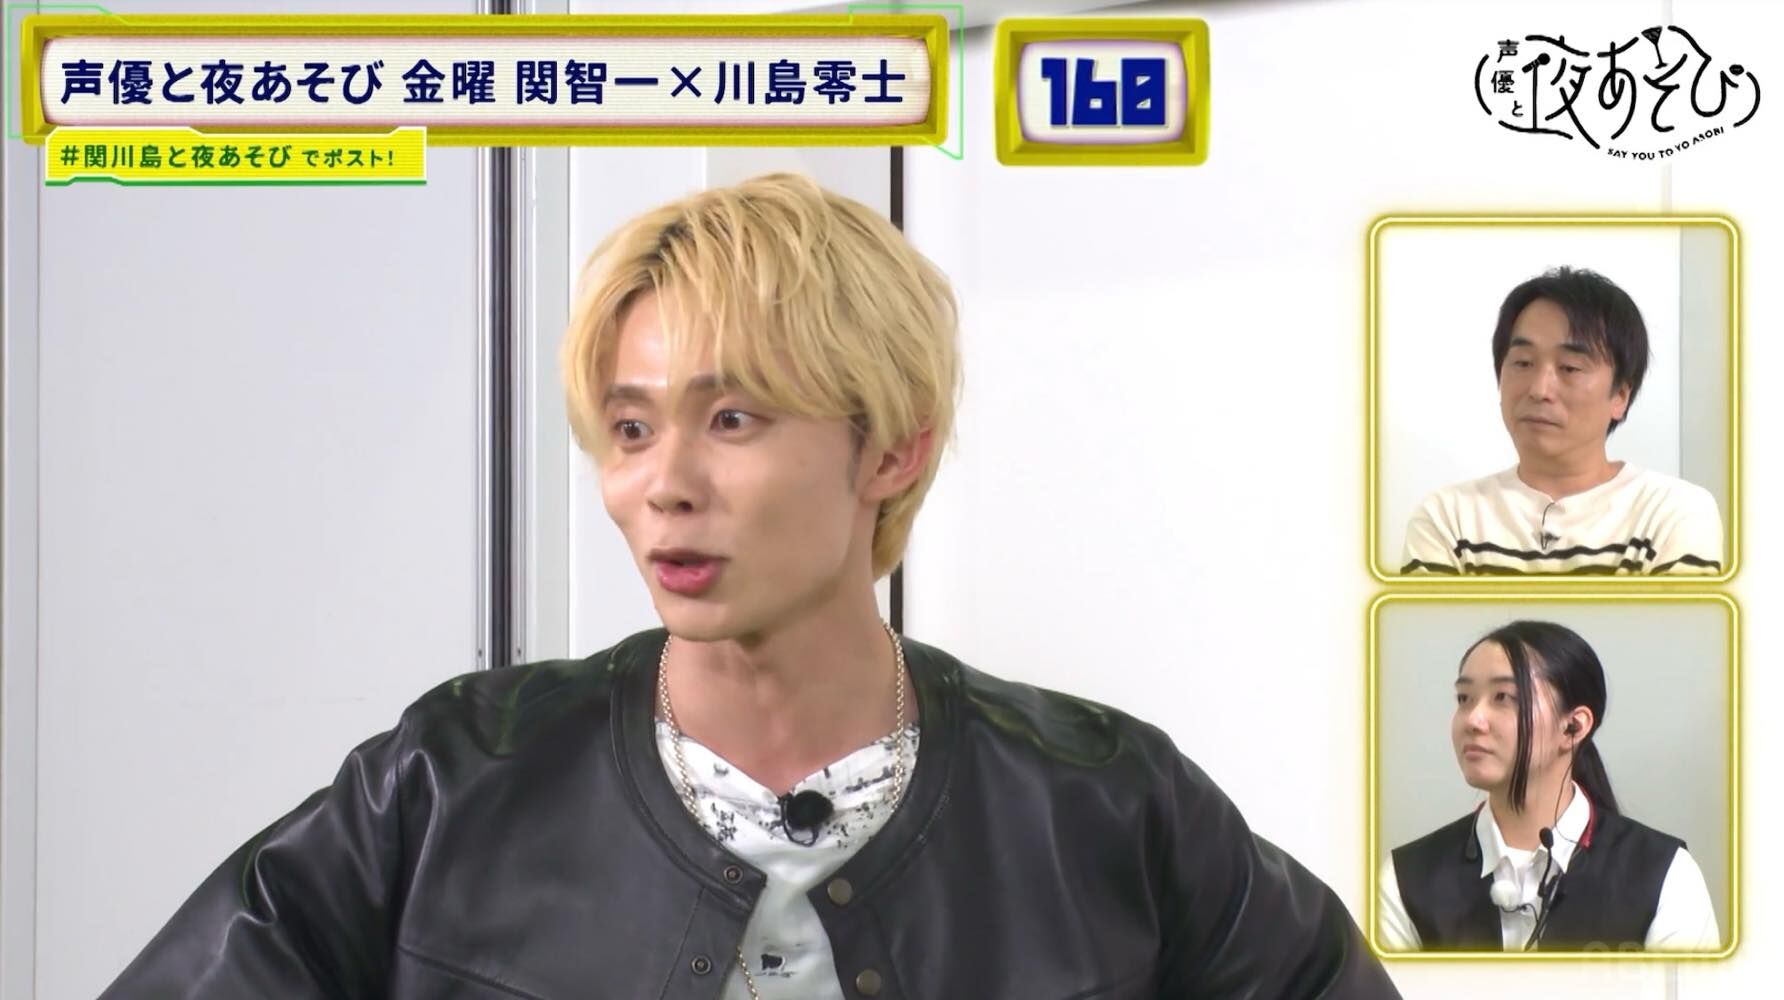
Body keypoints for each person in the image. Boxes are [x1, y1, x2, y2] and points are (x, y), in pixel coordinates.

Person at [100, 174, 1398, 997]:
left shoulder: (1102, 801)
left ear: (891, 448)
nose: (663, 484)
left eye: (731, 420)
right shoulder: (451, 783)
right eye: (629, 428)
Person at [1377, 620, 1720, 953]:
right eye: (1464, 698)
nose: (1473, 720)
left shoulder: (1664, 874)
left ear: (1573, 727)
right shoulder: (1406, 879)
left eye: (1502, 696)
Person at [1399, 266, 1723, 576]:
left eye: (1570, 368)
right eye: (1523, 363)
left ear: (1620, 396)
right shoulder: (1447, 517)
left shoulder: (1671, 512)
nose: (1539, 390)